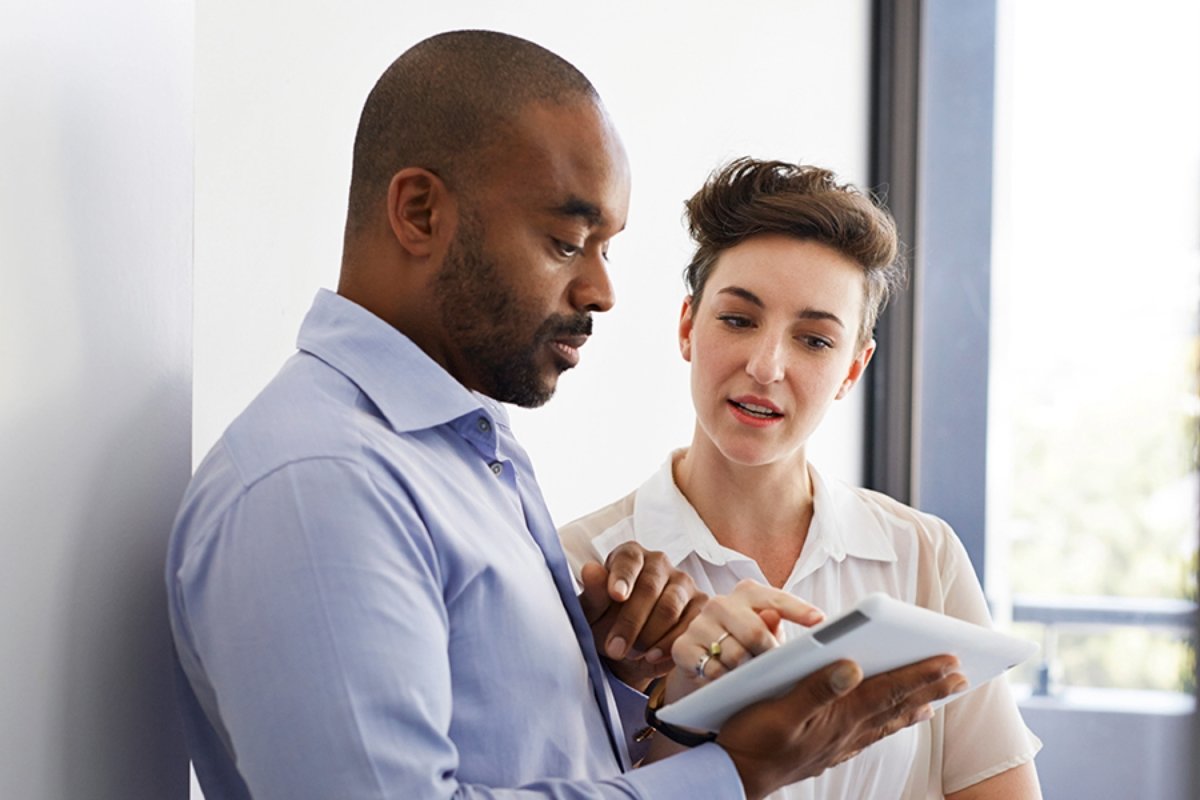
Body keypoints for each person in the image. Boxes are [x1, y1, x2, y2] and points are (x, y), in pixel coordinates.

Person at [165, 32, 965, 799]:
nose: (602, 292)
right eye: (565, 241)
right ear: (418, 212)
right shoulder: (322, 486)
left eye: (607, 248)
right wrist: (736, 775)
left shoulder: (464, 454)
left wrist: (622, 683)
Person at [560, 158, 1044, 799]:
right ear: (687, 327)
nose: (766, 366)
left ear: (852, 368)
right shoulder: (582, 567)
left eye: (814, 340)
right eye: (738, 320)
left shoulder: (920, 555)